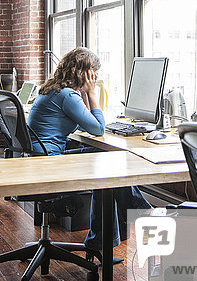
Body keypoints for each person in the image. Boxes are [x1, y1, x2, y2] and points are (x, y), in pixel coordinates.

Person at [28, 46, 150, 263]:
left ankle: (114, 233)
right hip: (49, 163)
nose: (96, 77)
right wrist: (92, 94)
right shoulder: (67, 96)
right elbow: (98, 129)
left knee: (108, 162)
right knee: (109, 162)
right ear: (83, 73)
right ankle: (135, 217)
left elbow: (82, 125)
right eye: (94, 72)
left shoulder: (55, 90)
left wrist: (85, 96)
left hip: (41, 159)